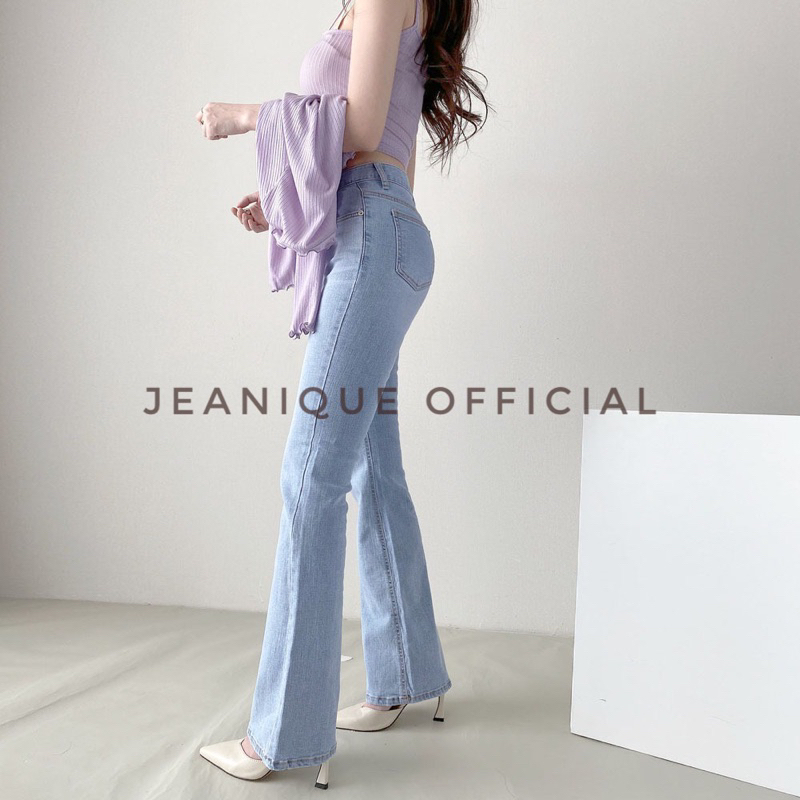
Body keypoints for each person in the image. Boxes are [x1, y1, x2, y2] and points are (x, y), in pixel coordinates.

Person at [194, 0, 490, 789]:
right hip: (381, 232)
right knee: (371, 466)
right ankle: (406, 676)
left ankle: (284, 735)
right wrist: (288, 200)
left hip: (372, 239)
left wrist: (244, 118)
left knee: (310, 477)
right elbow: (383, 149)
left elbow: (356, 128)